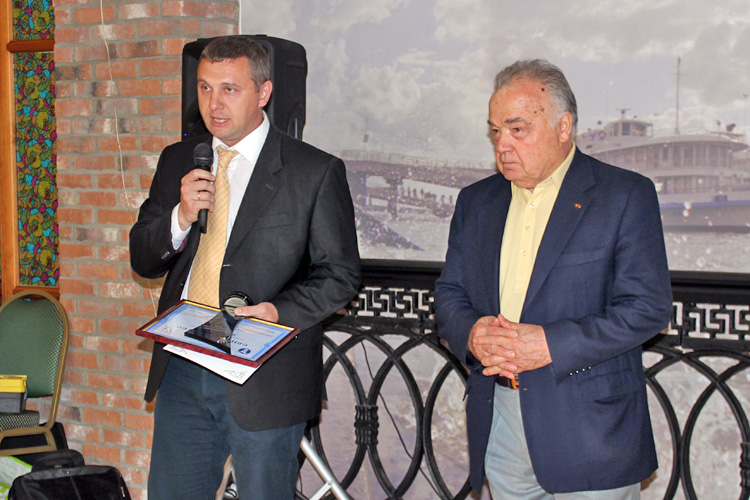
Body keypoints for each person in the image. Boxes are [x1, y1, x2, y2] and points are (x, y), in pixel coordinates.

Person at [129, 35, 361, 500]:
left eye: (229, 89)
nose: (214, 104)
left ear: (264, 92)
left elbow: (340, 275)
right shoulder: (179, 159)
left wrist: (278, 312)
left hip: (265, 374)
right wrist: (179, 217)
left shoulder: (313, 171)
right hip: (183, 366)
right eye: (204, 88)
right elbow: (143, 258)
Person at [433, 59, 672, 499]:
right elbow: (450, 293)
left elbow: (647, 308)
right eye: (495, 131)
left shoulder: (623, 194)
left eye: (517, 129)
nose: (503, 144)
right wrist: (473, 334)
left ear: (564, 127)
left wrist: (550, 344)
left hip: (591, 430)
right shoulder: (476, 201)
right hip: (501, 420)